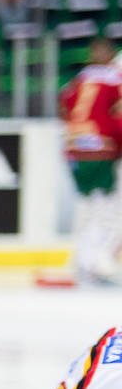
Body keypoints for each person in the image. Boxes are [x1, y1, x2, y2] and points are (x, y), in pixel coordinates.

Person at [56, 37, 122, 287]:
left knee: (85, 208)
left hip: (76, 148)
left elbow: (65, 107)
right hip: (102, 148)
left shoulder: (80, 79)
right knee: (106, 209)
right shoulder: (114, 80)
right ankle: (97, 264)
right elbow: (117, 116)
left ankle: (82, 263)